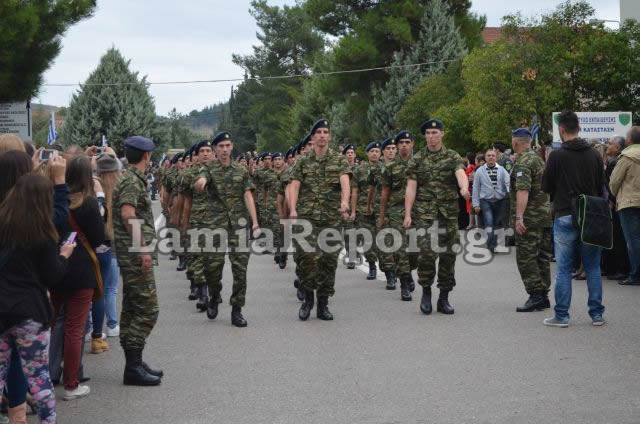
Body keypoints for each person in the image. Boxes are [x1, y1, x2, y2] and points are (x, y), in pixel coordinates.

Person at [1, 175, 76, 423]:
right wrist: (64, 255)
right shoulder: (43, 234)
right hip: (30, 314)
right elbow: (52, 276)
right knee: (37, 375)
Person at [542, 111, 605, 327]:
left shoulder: (557, 156)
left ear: (561, 129)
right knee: (593, 267)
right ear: (579, 128)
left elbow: (546, 187)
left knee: (563, 268)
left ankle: (561, 316)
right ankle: (596, 314)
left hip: (564, 213)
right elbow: (600, 186)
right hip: (590, 214)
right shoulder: (595, 155)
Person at [49, 155, 104, 400]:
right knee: (75, 328)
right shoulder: (89, 204)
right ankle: (72, 383)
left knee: (53, 324)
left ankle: (49, 374)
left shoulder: (55, 200)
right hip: (81, 270)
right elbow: (99, 239)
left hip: (57, 266)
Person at [194, 131, 259, 327]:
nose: (224, 149)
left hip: (238, 226)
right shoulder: (209, 168)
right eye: (220, 146)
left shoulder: (241, 170)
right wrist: (202, 182)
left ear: (231, 147)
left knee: (240, 270)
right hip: (215, 226)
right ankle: (214, 295)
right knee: (212, 268)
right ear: (215, 149)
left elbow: (248, 195)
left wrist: (255, 222)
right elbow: (203, 178)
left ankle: (237, 310)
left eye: (227, 146)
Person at [404, 119, 469, 315]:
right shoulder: (417, 159)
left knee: (448, 256)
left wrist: (464, 187)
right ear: (425, 136)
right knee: (426, 255)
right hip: (425, 215)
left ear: (442, 134)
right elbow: (411, 187)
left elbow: (460, 173)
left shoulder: (451, 156)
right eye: (428, 133)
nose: (431, 137)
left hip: (448, 215)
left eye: (435, 132)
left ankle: (444, 297)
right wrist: (407, 213)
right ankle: (425, 293)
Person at [112, 136, 163, 386]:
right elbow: (127, 214)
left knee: (132, 308)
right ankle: (132, 365)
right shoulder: (132, 180)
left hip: (129, 253)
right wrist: (143, 249)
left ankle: (134, 361)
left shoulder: (128, 177)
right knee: (148, 309)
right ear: (146, 156)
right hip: (134, 255)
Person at [289, 119, 351, 321]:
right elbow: (295, 186)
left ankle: (323, 304)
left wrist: (344, 201)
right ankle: (308, 300)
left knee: (328, 261)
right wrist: (292, 209)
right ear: (313, 137)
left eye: (326, 132)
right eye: (319, 132)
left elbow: (345, 182)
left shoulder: (338, 160)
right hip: (307, 217)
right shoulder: (303, 161)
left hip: (332, 217)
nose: (323, 135)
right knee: (307, 260)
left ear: (330, 136)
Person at [510, 128, 552, 312]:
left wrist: (519, 216)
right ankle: (543, 294)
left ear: (515, 143)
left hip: (530, 218)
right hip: (543, 216)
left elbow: (523, 190)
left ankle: (535, 294)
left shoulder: (524, 162)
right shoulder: (538, 159)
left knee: (526, 258)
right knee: (542, 257)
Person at [379, 130, 417, 301]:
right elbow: (384, 193)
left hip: (418, 210)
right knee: (400, 248)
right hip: (396, 211)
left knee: (416, 251)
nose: (404, 145)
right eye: (400, 142)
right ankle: (404, 284)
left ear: (412, 144)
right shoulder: (390, 167)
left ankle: (408, 273)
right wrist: (382, 216)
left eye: (407, 142)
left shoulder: (420, 164)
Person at [95, 153, 123, 339]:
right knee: (111, 289)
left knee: (94, 289)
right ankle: (112, 324)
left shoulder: (92, 189)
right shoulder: (121, 189)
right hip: (114, 245)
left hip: (94, 245)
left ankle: (92, 328)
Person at [609, 126, 640, 286]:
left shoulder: (626, 157)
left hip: (629, 203)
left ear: (629, 139)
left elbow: (614, 182)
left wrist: (614, 195)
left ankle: (635, 274)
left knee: (632, 241)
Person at [368, 138, 398, 290]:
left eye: (394, 148)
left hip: (399, 210)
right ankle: (390, 275)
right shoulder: (376, 170)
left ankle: (402, 272)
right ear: (383, 152)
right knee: (384, 242)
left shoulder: (404, 167)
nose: (391, 151)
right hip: (382, 210)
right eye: (388, 148)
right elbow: (372, 190)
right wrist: (369, 205)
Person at [351, 141, 381, 280]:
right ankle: (372, 266)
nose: (374, 153)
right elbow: (355, 192)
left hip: (382, 209)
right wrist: (353, 211)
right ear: (367, 153)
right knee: (368, 239)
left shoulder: (385, 169)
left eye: (377, 151)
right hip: (364, 210)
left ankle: (389, 268)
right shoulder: (359, 170)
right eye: (372, 151)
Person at [471, 148, 510, 253]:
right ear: (485, 158)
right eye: (488, 155)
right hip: (485, 200)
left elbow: (508, 183)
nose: (491, 157)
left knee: (497, 223)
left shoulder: (502, 170)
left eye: (493, 155)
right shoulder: (480, 171)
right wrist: (475, 204)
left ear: (496, 157)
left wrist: (510, 193)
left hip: (500, 200)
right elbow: (476, 188)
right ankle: (491, 245)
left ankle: (494, 242)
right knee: (489, 221)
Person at [602, 135, 629, 281]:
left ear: (617, 148)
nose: (607, 145)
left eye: (610, 143)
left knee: (617, 237)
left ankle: (620, 268)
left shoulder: (616, 162)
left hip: (616, 204)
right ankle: (614, 268)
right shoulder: (613, 161)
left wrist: (610, 201)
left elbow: (612, 184)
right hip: (616, 203)